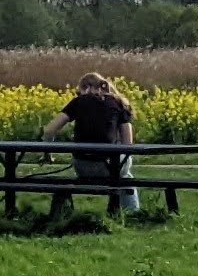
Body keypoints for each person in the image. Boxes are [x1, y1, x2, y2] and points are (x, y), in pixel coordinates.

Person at [41, 71, 140, 212]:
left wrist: (47, 154)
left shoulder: (78, 102)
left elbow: (49, 130)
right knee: (126, 176)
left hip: (83, 168)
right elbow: (128, 144)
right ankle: (133, 212)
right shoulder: (118, 103)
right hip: (111, 168)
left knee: (122, 173)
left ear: (85, 87)